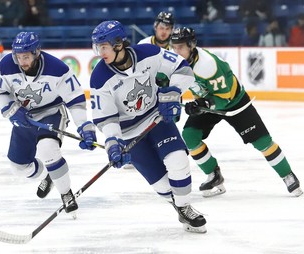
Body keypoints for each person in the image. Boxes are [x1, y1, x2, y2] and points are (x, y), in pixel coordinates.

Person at [89, 20, 207, 233]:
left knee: (178, 161)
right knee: (161, 184)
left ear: (118, 44)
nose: (100, 52)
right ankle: (177, 204)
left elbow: (183, 69)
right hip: (129, 132)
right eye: (98, 47)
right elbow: (106, 119)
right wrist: (113, 144)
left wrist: (173, 93)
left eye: (104, 46)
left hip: (156, 118)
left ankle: (185, 207)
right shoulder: (99, 77)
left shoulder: (149, 53)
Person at [170, 27, 302, 198]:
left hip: (234, 103)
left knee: (262, 142)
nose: (176, 51)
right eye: (174, 47)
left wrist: (200, 104)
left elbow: (224, 98)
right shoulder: (173, 62)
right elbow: (169, 84)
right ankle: (214, 175)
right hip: (206, 103)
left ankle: (287, 174)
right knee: (189, 135)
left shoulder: (207, 65)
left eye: (180, 47)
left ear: (191, 45)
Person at [0, 31, 97, 215]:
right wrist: (12, 110)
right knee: (18, 167)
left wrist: (85, 127)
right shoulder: (6, 64)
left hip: (51, 113)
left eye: (26, 57)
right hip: (24, 117)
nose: (22, 62)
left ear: (37, 52)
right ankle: (49, 175)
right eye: (19, 57)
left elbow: (75, 99)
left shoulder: (57, 69)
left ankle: (66, 193)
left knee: (48, 150)